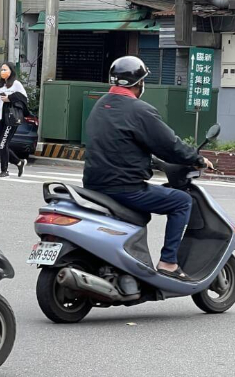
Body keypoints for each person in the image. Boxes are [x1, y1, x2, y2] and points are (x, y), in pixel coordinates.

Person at [83, 56, 214, 280]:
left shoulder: (100, 105)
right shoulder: (140, 110)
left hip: (93, 184)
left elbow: (118, 144)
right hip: (124, 188)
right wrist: (197, 159)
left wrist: (151, 162)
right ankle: (169, 263)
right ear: (140, 83)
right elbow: (169, 144)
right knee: (182, 201)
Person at [0, 63, 29, 178]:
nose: (3, 71)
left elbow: (24, 98)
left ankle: (5, 171)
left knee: (3, 144)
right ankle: (19, 162)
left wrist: (10, 98)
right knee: (0, 145)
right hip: (1, 119)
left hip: (11, 119)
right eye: (2, 69)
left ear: (11, 71)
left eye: (5, 69)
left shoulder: (16, 84)